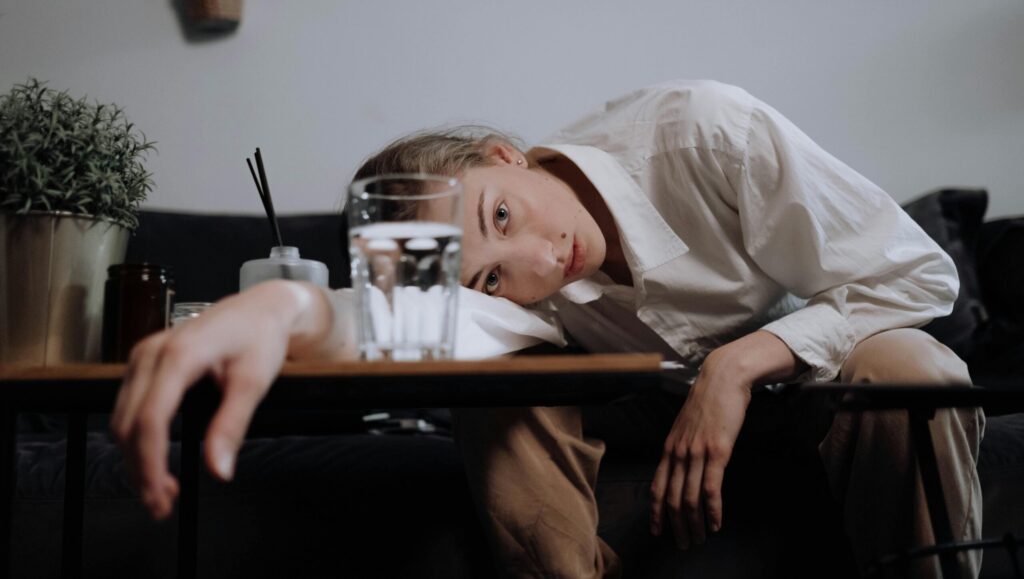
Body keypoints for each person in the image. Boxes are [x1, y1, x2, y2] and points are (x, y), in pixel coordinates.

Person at [111, 79, 984, 579]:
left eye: (500, 213)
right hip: (642, 413)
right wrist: (277, 304)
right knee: (492, 389)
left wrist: (740, 364)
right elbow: (401, 322)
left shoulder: (705, 133)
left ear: (504, 153)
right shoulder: (514, 295)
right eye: (491, 275)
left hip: (809, 378)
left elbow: (919, 273)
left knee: (919, 367)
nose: (533, 261)